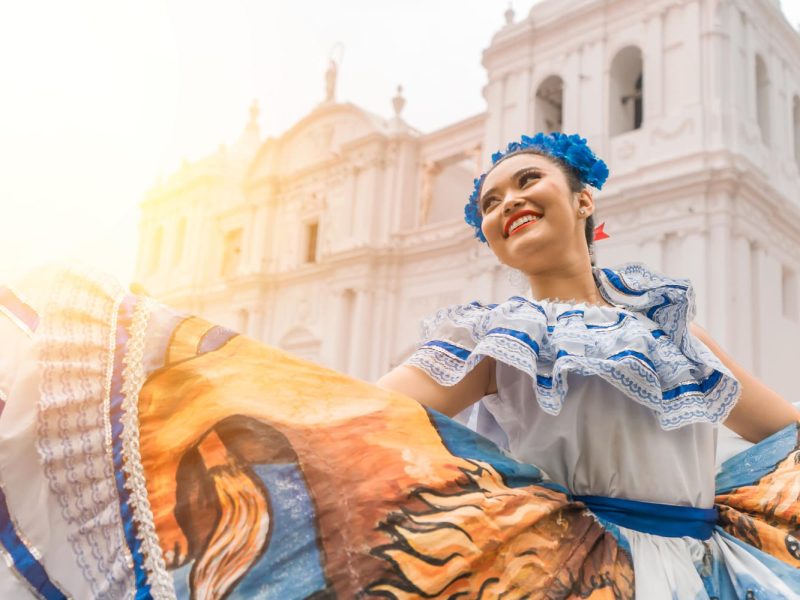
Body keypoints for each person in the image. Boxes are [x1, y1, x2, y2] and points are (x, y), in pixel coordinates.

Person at [0, 133, 798, 600]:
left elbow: (783, 434)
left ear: (584, 199)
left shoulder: (666, 320)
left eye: (528, 181)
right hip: (573, 576)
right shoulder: (493, 335)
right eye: (488, 202)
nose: (507, 202)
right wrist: (167, 360)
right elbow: (349, 417)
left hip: (713, 573)